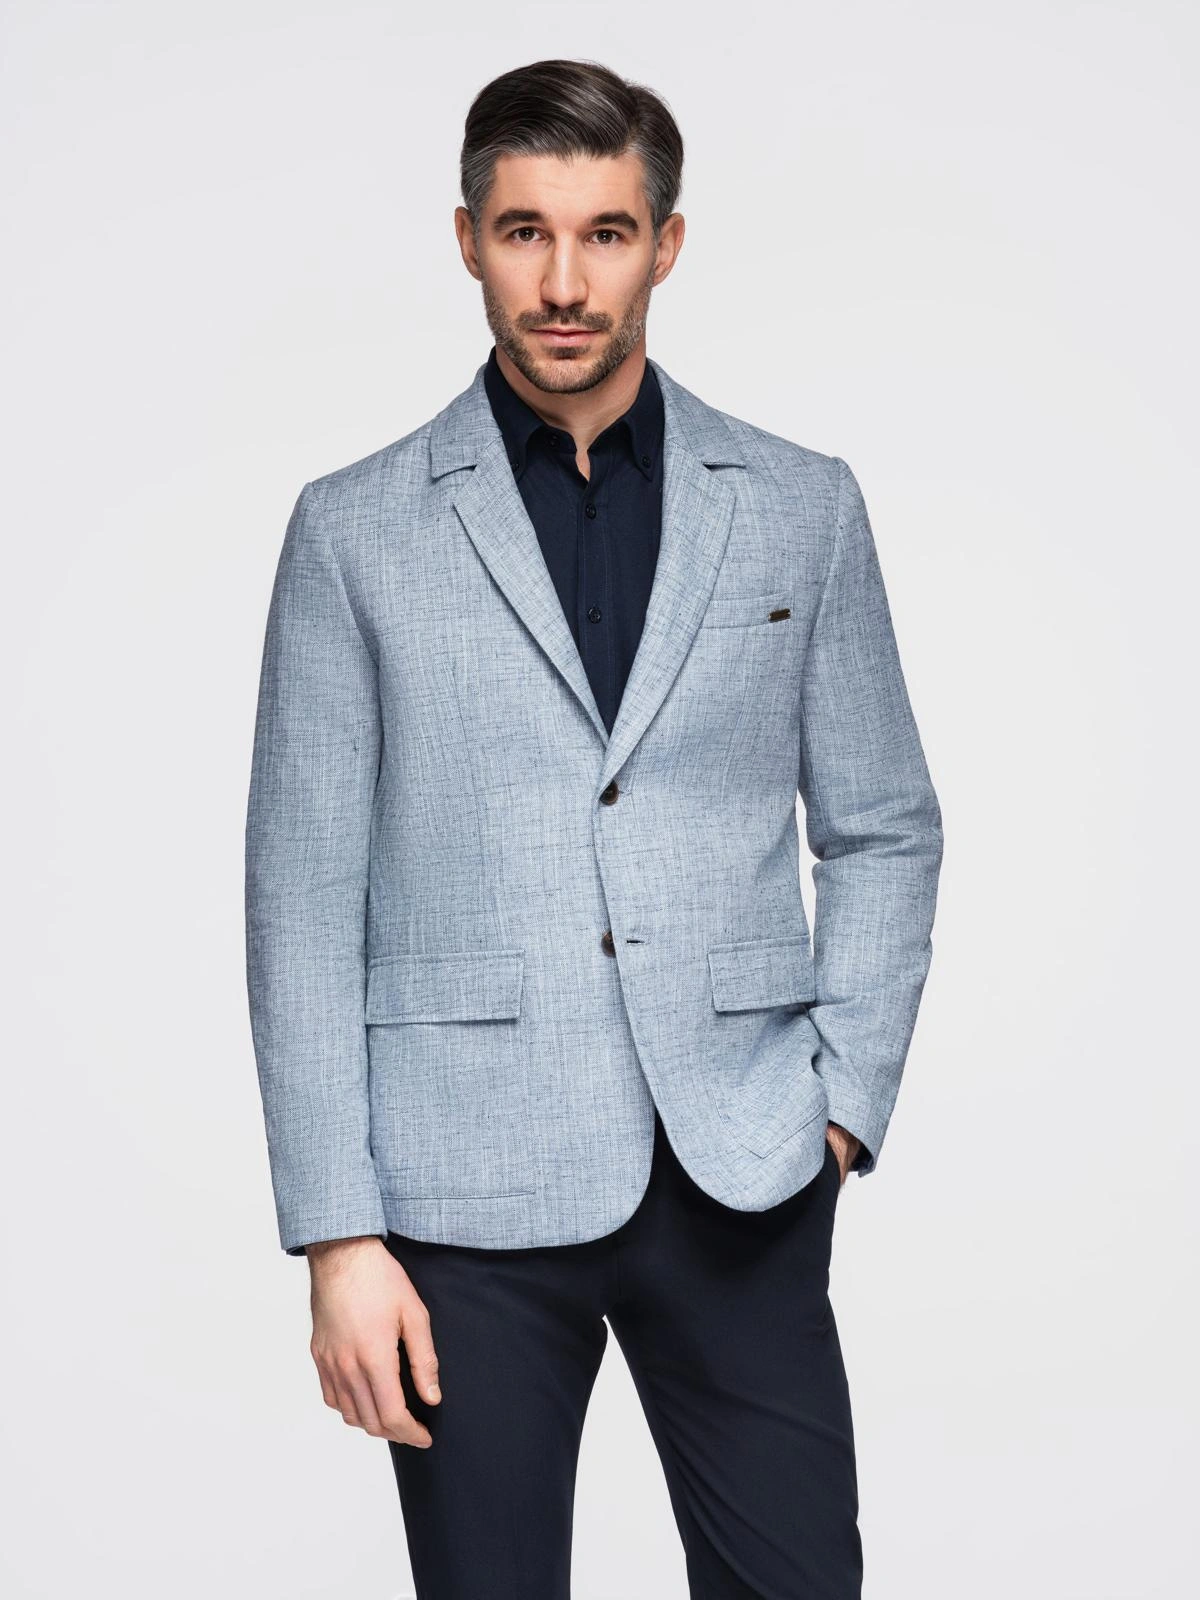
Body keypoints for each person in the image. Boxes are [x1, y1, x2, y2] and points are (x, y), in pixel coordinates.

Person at [244, 56, 944, 1600]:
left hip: (743, 1166)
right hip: (460, 1189)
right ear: (468, 240)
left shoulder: (801, 505)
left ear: (665, 245)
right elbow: (300, 901)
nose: (564, 283)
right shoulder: (353, 531)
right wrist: (337, 1238)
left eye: (606, 233)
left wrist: (841, 1104)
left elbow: (886, 824)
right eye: (526, 233)